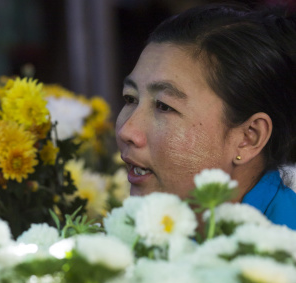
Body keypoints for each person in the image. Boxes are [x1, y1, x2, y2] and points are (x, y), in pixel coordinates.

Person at [116, 3, 296, 229]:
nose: (127, 131)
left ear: (249, 137)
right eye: (131, 99)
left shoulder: (284, 252)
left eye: (164, 106)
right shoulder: (159, 229)